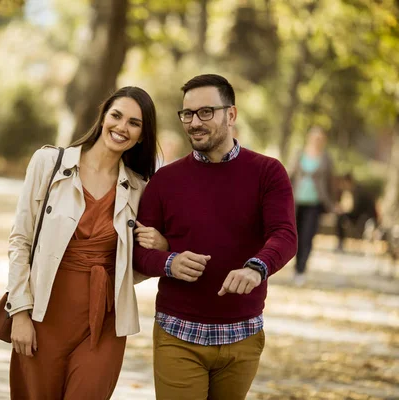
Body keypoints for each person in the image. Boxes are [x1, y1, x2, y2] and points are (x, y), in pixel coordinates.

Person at [132, 74, 298, 400]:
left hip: (243, 334)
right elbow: (138, 252)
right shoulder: (165, 180)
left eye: (206, 112)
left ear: (231, 115)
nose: (194, 122)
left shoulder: (268, 172)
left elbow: (285, 234)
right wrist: (169, 262)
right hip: (178, 332)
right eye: (187, 114)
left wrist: (256, 267)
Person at [5, 86, 165, 399]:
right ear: (103, 115)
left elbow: (134, 264)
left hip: (104, 320)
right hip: (43, 314)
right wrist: (20, 313)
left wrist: (159, 245)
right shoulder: (49, 164)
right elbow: (20, 240)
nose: (121, 127)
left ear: (142, 136)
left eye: (134, 123)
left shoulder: (139, 189)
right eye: (116, 116)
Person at [288, 126, 336, 285]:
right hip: (296, 202)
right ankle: (294, 265)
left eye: (320, 138)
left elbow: (331, 182)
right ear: (309, 137)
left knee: (307, 237)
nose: (317, 140)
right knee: (294, 235)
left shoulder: (326, 158)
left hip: (315, 203)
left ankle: (300, 270)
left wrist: (332, 204)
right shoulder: (299, 154)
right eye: (315, 137)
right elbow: (289, 175)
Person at [335, 172, 378, 252]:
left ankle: (341, 243)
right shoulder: (351, 191)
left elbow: (356, 208)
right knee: (340, 217)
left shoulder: (358, 191)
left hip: (365, 216)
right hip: (358, 214)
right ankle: (340, 242)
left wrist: (344, 211)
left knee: (341, 216)